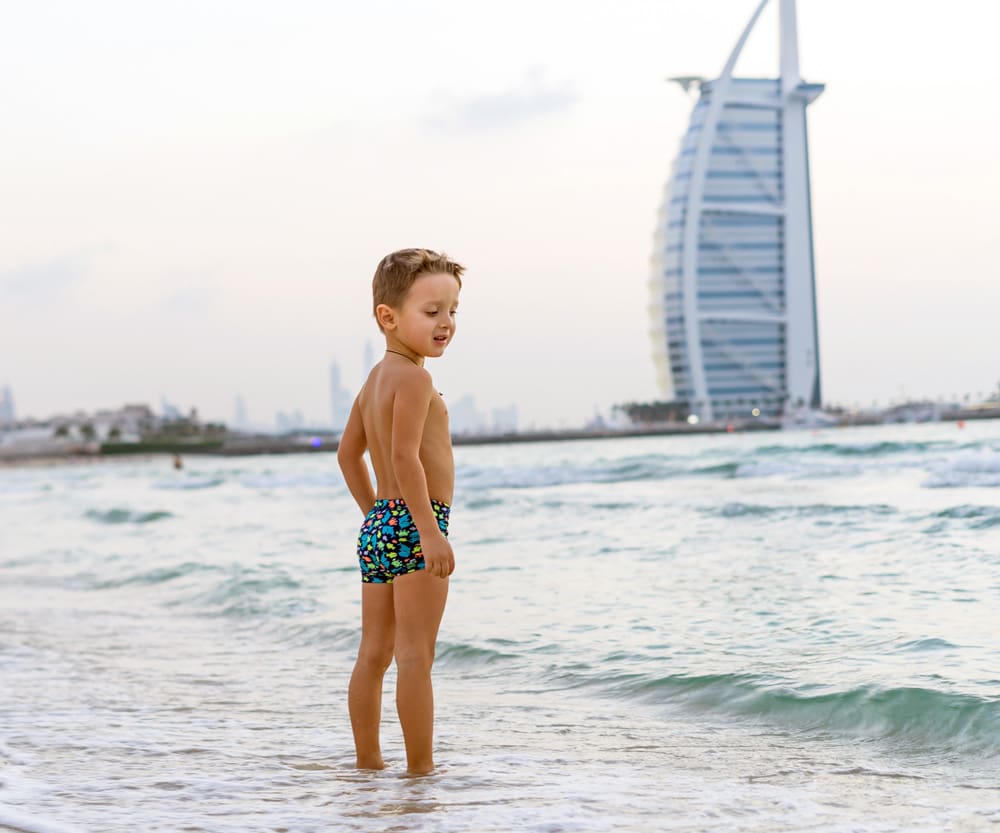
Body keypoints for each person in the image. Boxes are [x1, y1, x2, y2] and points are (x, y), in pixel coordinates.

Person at [337, 248, 463, 775]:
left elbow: (348, 455)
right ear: (388, 317)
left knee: (374, 654)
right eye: (431, 312)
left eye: (453, 311)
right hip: (416, 521)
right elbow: (406, 459)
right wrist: (429, 534)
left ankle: (369, 763)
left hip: (382, 526)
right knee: (415, 656)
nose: (446, 324)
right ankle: (420, 773)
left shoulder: (373, 379)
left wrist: (375, 515)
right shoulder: (413, 379)